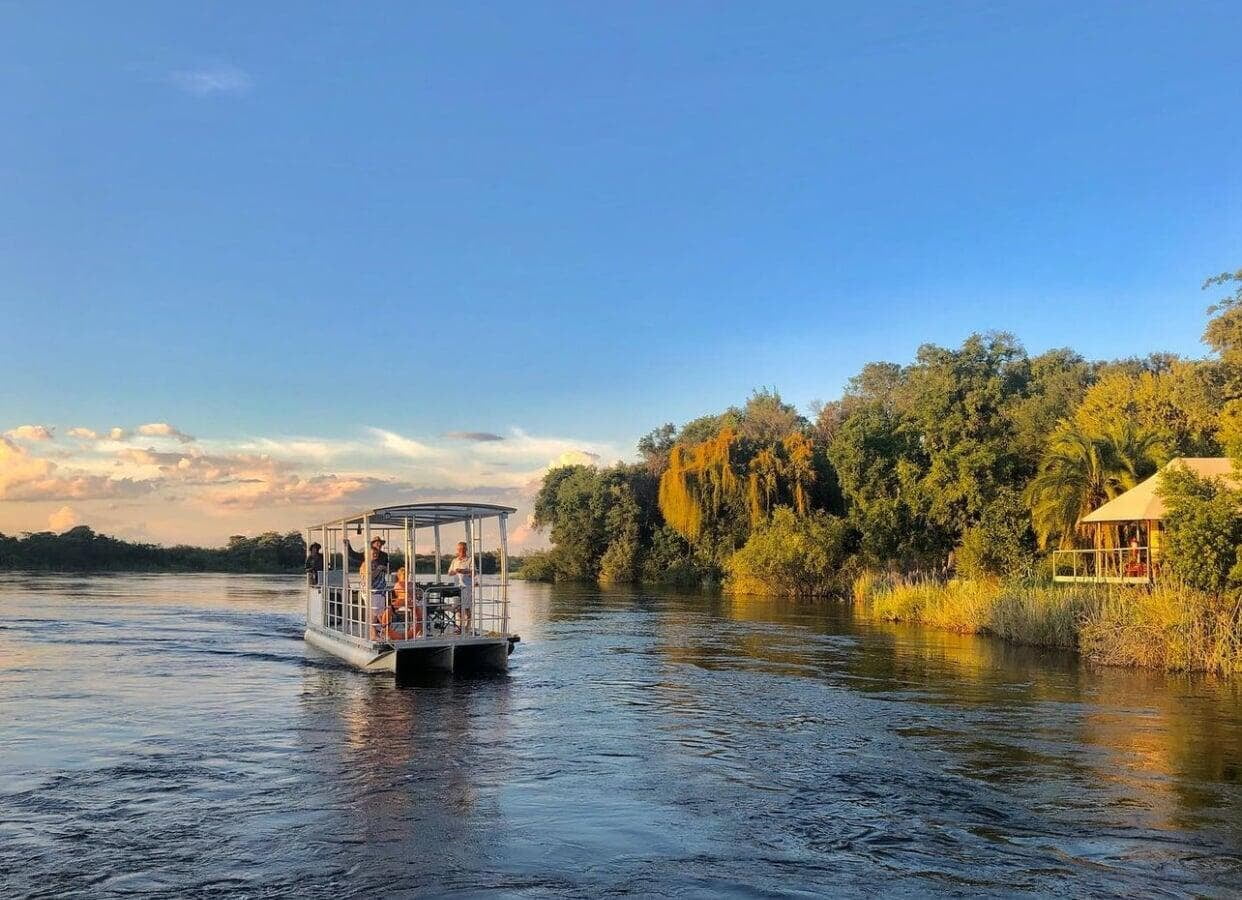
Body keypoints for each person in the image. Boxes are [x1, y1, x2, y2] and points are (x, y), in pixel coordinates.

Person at [447, 541, 473, 633]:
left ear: (466, 549)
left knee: (466, 608)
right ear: (457, 550)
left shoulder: (470, 560)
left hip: (466, 587)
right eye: (459, 549)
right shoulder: (454, 561)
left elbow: (473, 573)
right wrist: (455, 571)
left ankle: (467, 628)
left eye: (463, 549)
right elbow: (449, 573)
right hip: (456, 588)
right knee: (457, 608)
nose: (461, 551)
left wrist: (462, 571)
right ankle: (459, 627)